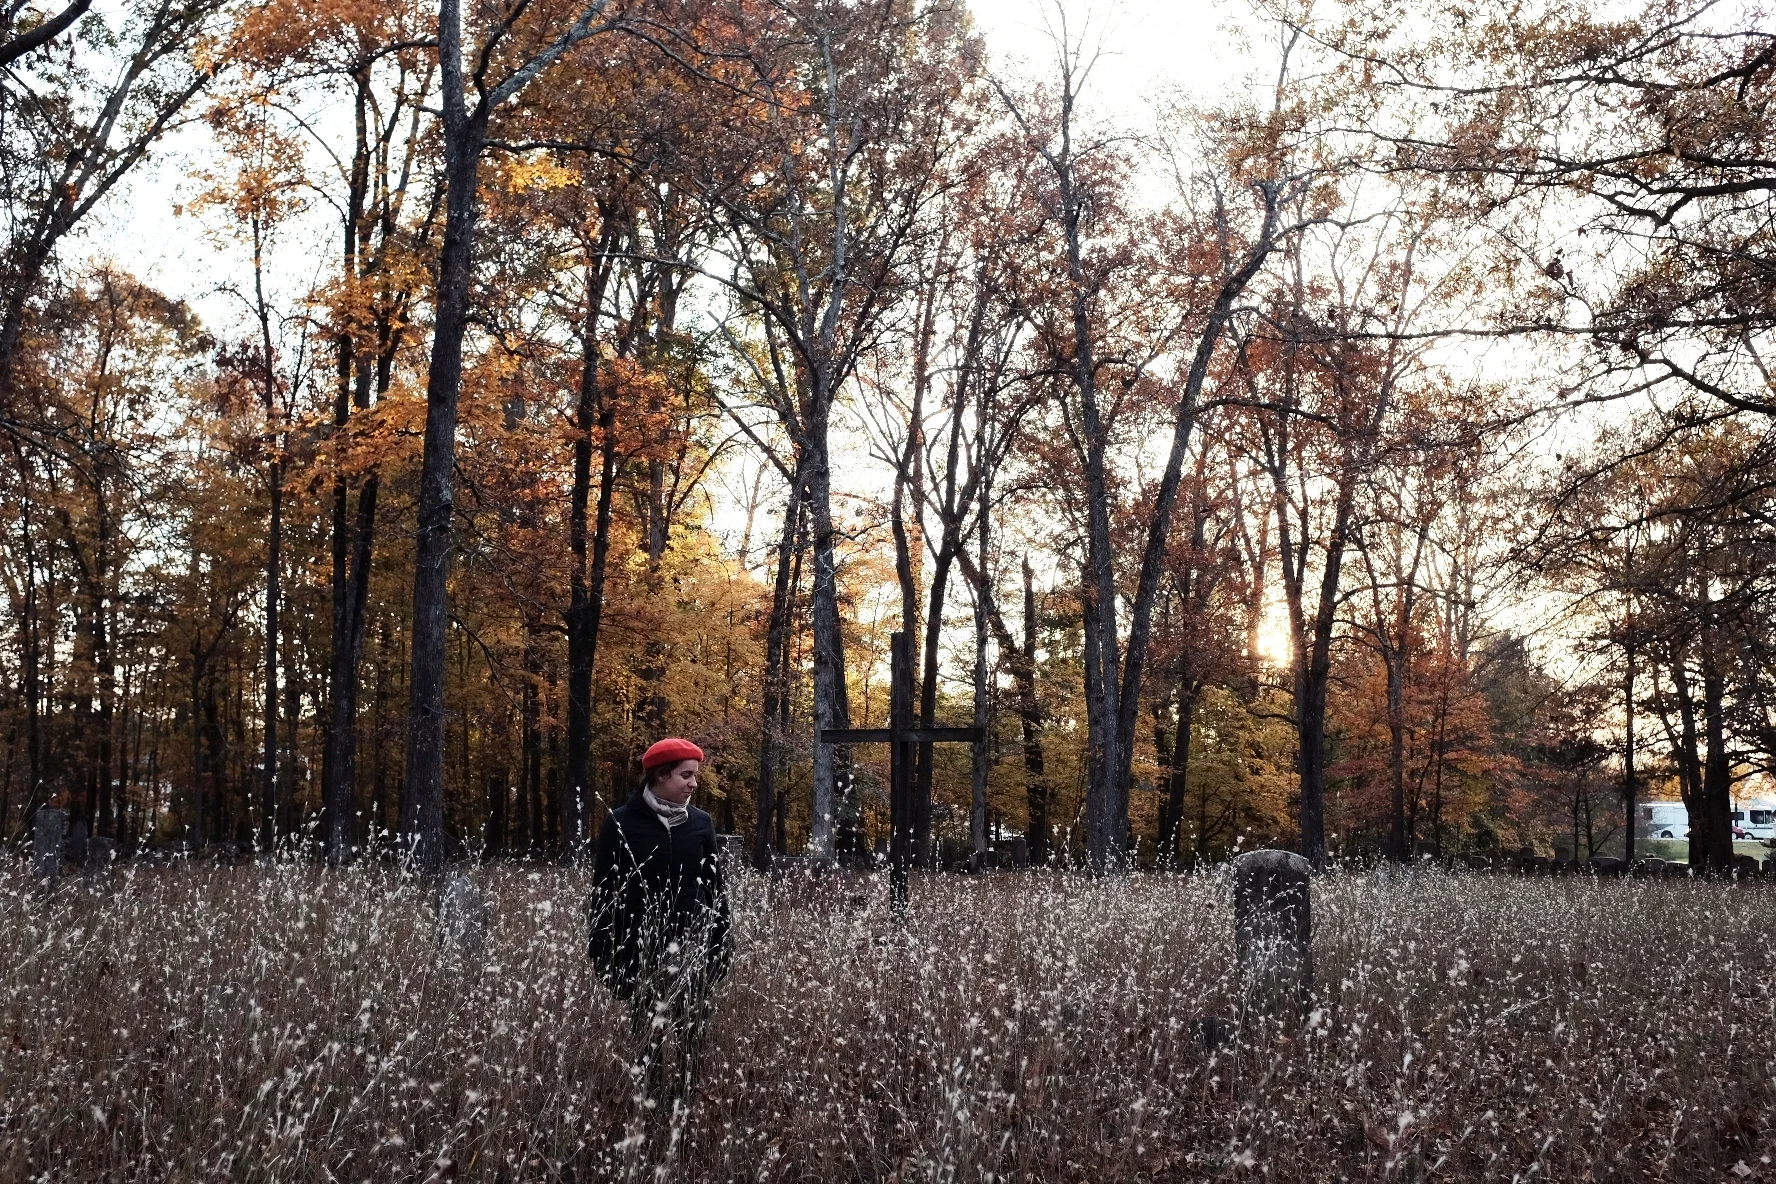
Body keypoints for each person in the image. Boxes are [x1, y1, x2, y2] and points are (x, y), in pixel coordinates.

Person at [587, 738, 730, 1098]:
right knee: (648, 1042)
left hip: (692, 952)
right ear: (660, 775)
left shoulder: (701, 823)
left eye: (694, 776)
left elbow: (716, 891)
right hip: (640, 953)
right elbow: (604, 893)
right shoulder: (621, 823)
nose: (693, 784)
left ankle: (683, 1112)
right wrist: (605, 955)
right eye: (686, 775)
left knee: (691, 1041)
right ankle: (648, 1113)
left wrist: (720, 947)